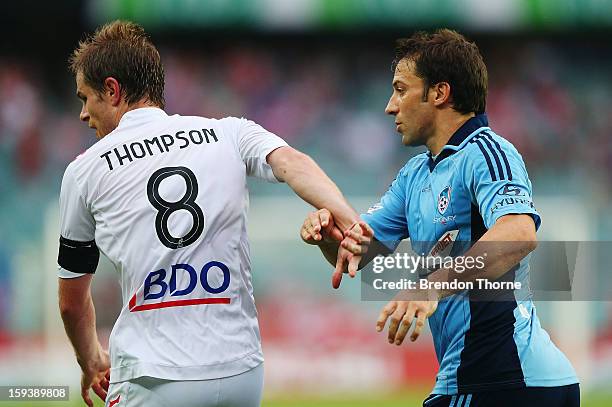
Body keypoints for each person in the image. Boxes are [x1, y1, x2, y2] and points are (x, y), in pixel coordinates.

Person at [57, 20, 359, 407]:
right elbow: (292, 164)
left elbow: (71, 301)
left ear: (113, 91)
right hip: (241, 371)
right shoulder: (227, 133)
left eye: (86, 98)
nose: (83, 114)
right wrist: (350, 222)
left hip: (155, 375)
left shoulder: (85, 170)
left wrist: (91, 360)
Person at [301, 29, 580, 407]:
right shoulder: (415, 175)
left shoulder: (487, 152)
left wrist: (430, 286)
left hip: (509, 379)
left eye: (400, 89)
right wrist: (330, 236)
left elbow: (519, 233)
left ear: (439, 93)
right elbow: (360, 252)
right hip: (472, 380)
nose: (389, 106)